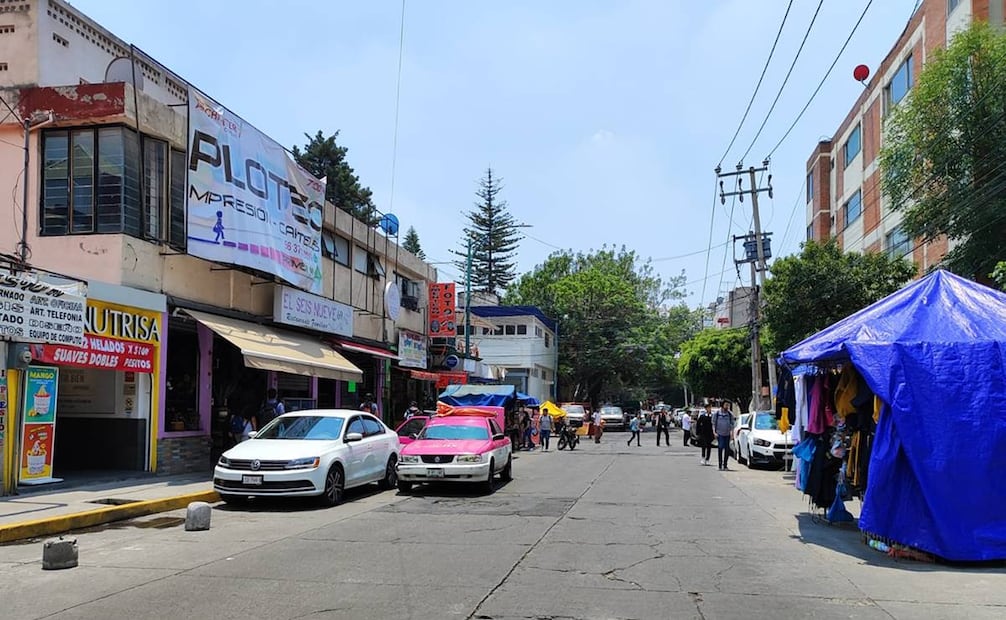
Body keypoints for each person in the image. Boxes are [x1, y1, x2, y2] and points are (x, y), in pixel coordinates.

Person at [714, 401, 736, 471]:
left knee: (727, 449)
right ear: (722, 405)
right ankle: (720, 465)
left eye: (728, 405)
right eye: (726, 405)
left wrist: (732, 433)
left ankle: (725, 465)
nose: (727, 407)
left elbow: (732, 424)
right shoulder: (717, 413)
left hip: (727, 434)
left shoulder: (730, 414)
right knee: (720, 448)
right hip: (720, 434)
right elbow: (713, 423)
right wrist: (714, 432)